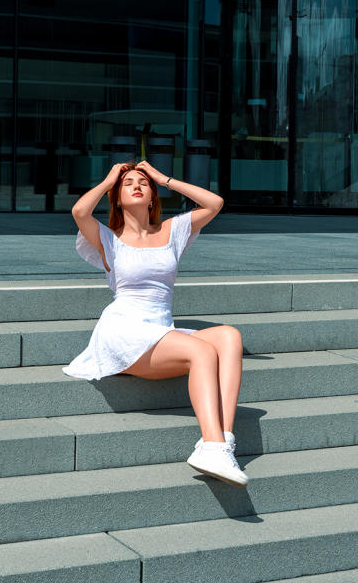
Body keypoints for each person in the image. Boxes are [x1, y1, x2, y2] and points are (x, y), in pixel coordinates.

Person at [64, 159, 248, 488]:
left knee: (229, 337)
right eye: (128, 183)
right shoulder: (108, 238)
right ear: (117, 198)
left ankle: (221, 442)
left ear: (152, 197)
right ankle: (214, 443)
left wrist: (164, 178)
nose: (136, 185)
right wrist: (110, 179)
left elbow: (215, 203)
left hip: (161, 329)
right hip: (124, 331)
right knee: (203, 351)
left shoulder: (173, 231)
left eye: (143, 183)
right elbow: (80, 212)